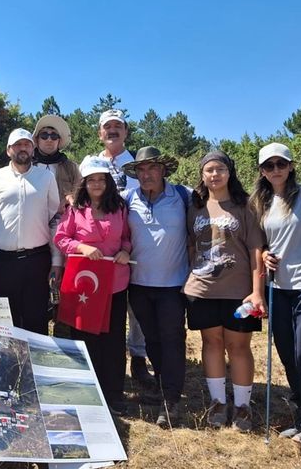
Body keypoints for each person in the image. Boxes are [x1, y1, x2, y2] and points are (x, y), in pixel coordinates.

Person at [251, 142, 301, 442]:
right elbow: (261, 244)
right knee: (286, 352)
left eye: (281, 164)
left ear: (291, 166)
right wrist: (265, 255)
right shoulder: (261, 202)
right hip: (277, 288)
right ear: (262, 171)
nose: (276, 170)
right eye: (269, 166)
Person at [183, 150, 266, 432]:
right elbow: (191, 245)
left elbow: (256, 250)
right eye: (209, 170)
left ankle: (243, 406)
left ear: (230, 172)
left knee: (239, 347)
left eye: (220, 169)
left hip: (238, 292)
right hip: (202, 289)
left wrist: (257, 291)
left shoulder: (245, 206)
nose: (214, 175)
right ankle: (218, 403)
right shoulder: (195, 207)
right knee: (212, 344)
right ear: (202, 175)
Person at [54, 156, 131, 415]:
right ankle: (89, 391)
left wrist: (125, 251)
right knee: (86, 338)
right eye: (91, 180)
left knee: (114, 339)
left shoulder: (119, 207)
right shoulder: (75, 209)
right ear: (84, 183)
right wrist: (81, 247)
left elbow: (127, 238)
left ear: (108, 182)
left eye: (101, 179)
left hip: (114, 283)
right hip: (85, 286)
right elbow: (61, 238)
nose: (97, 184)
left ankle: (114, 394)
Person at [121, 146, 189, 428]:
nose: (146, 174)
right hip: (138, 283)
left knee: (172, 339)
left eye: (152, 168)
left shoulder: (183, 196)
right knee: (151, 339)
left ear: (163, 170)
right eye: (141, 169)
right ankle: (163, 387)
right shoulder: (128, 199)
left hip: (173, 284)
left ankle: (171, 399)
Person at [0, 129, 60, 334]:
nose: (22, 148)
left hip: (37, 260)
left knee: (37, 320)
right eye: (17, 145)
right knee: (5, 323)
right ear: (8, 150)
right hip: (2, 261)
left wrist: (56, 260)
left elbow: (53, 219)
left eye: (26, 144)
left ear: (33, 149)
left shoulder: (46, 177)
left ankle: (36, 356)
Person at [95, 109, 153, 389]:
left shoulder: (137, 164)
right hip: (101, 247)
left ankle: (138, 358)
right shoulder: (91, 162)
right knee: (106, 304)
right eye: (108, 126)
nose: (113, 130)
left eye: (118, 126)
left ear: (126, 132)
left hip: (135, 241)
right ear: (100, 133)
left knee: (135, 305)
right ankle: (106, 357)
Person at [32, 115, 81, 336]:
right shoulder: (27, 165)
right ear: (37, 139)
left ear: (60, 141)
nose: (49, 140)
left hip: (64, 237)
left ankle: (63, 341)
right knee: (36, 293)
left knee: (63, 292)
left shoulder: (70, 167)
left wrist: (70, 199)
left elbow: (83, 195)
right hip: (33, 237)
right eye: (44, 135)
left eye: (54, 136)